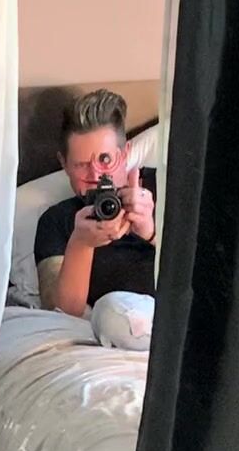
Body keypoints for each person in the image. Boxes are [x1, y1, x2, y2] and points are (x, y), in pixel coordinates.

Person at [34, 89, 157, 350]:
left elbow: (212, 269)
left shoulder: (168, 188)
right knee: (111, 312)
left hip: (175, 324)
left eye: (105, 159)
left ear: (124, 154)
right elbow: (61, 311)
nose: (96, 175)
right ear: (64, 164)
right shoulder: (57, 221)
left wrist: (152, 233)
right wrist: (81, 243)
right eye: (81, 165)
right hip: (114, 331)